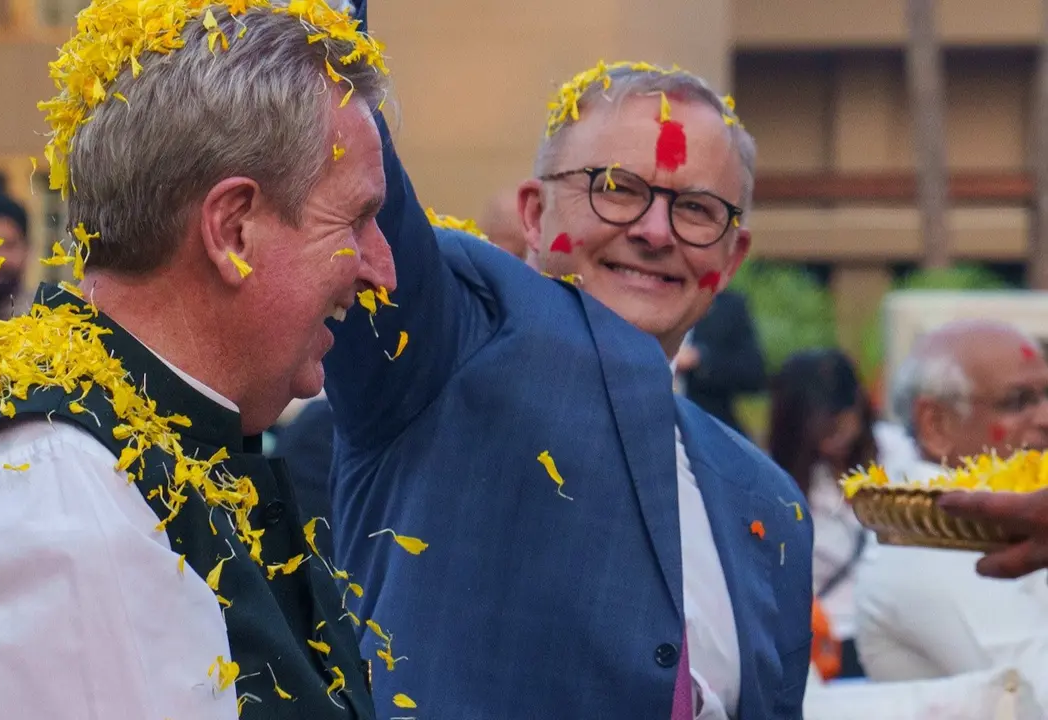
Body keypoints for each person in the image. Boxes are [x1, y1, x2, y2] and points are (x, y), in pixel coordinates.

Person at [0, 3, 391, 719]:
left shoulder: (111, 446)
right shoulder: (61, 486)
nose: (382, 270)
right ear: (233, 228)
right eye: (357, 220)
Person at [324, 54, 813, 720]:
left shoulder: (771, 503)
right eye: (615, 186)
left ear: (733, 256)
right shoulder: (451, 340)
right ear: (533, 212)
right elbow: (334, 118)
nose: (654, 231)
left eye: (697, 209)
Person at [855, 319, 1048, 709]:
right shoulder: (930, 537)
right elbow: (1037, 698)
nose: (1045, 418)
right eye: (1017, 402)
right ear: (936, 425)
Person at [768, 349, 878, 679]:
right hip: (823, 644)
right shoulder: (774, 485)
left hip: (886, 634)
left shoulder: (896, 458)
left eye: (845, 425)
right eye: (825, 432)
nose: (838, 440)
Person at [677, 288, 767, 434]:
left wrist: (700, 359)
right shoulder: (641, 298)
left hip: (707, 423)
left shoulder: (727, 306)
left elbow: (753, 373)